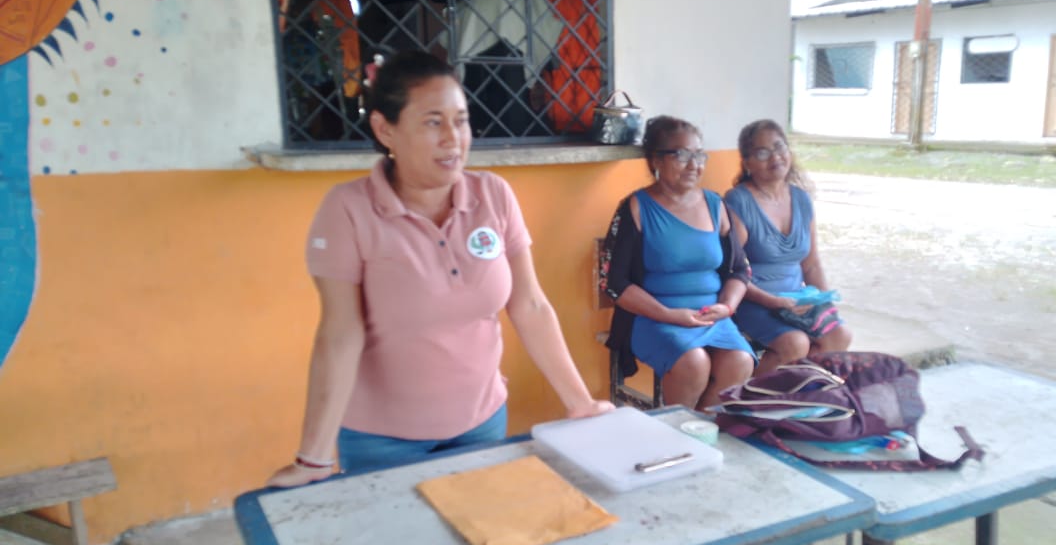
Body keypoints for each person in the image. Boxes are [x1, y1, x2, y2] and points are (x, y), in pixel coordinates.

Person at [267, 50, 611, 484]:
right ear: (384, 129)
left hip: (483, 423)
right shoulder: (348, 210)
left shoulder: (493, 195)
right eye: (433, 122)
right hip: (382, 441)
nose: (453, 139)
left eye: (461, 121)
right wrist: (314, 458)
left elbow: (530, 305)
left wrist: (580, 403)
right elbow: (340, 334)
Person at [601, 116, 756, 410]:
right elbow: (614, 283)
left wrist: (727, 307)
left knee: (740, 362)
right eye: (682, 155)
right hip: (654, 318)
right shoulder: (636, 207)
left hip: (712, 319)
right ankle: (677, 429)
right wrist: (669, 315)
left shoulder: (716, 205)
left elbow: (739, 269)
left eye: (699, 155)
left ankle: (701, 425)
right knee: (694, 363)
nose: (694, 165)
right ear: (655, 160)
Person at [723, 120, 853, 375]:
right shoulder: (738, 201)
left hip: (797, 301)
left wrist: (824, 304)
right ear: (747, 163)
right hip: (754, 301)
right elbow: (731, 270)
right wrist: (774, 302)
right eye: (762, 152)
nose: (775, 157)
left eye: (779, 147)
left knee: (840, 336)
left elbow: (811, 264)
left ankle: (797, 393)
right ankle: (744, 395)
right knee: (795, 343)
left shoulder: (801, 199)